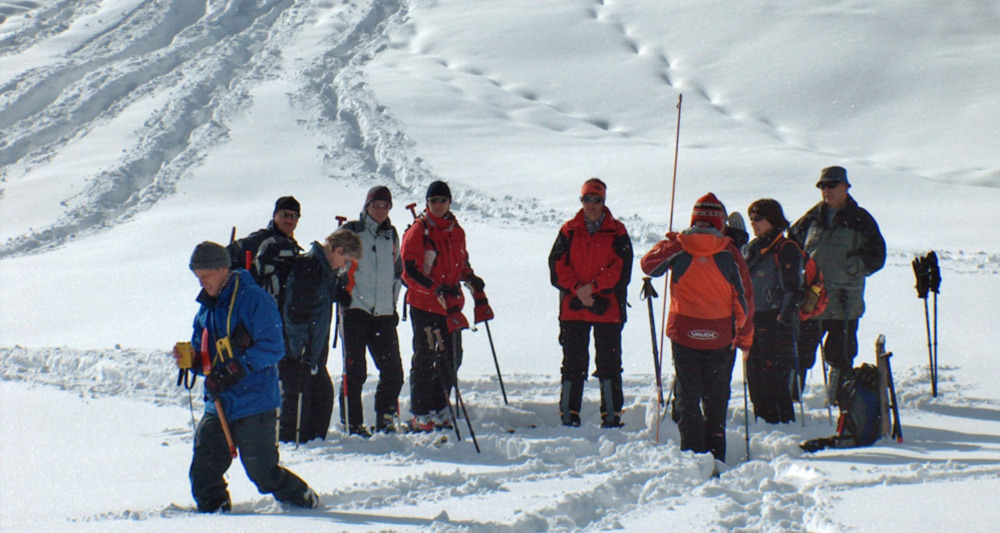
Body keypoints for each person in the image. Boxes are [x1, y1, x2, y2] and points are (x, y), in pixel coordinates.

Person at [174, 241, 318, 512]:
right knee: (203, 470)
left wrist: (235, 369)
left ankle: (302, 498)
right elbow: (205, 355)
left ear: (223, 269)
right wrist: (191, 360)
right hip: (217, 404)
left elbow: (274, 347)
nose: (202, 282)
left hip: (254, 403)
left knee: (263, 473)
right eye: (198, 277)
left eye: (206, 275)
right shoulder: (206, 307)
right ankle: (215, 516)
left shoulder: (254, 299)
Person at [641, 193, 754, 463]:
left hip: (684, 333)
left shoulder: (679, 246)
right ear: (720, 221)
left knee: (688, 396)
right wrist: (746, 337)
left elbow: (649, 265)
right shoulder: (730, 251)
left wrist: (670, 242)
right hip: (720, 336)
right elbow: (744, 298)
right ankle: (716, 456)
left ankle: (692, 455)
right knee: (716, 398)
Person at [789, 167, 885, 400]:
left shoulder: (861, 219)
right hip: (813, 299)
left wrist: (852, 268)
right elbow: (791, 247)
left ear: (845, 187)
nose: (826, 190)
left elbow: (877, 256)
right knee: (800, 352)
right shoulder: (811, 218)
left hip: (845, 300)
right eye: (823, 186)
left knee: (841, 355)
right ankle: (790, 401)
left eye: (831, 185)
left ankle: (839, 403)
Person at [547, 178, 633, 428]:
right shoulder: (568, 230)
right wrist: (578, 290)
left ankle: (611, 414)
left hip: (607, 308)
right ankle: (569, 413)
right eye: (587, 199)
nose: (592, 204)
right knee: (573, 361)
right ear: (581, 200)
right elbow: (556, 267)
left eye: (597, 199)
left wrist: (592, 288)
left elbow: (622, 270)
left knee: (609, 362)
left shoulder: (618, 230)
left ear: (604, 201)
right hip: (574, 308)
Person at [400, 180, 485, 432]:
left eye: (442, 200)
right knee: (425, 357)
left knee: (452, 357)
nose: (437, 205)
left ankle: (438, 405)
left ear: (449, 202)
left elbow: (460, 262)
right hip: (425, 304)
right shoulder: (418, 231)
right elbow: (409, 272)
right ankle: (420, 412)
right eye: (433, 201)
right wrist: (433, 287)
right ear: (427, 203)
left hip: (449, 304)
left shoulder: (455, 230)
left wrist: (470, 278)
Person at [279, 229, 363, 443]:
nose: (345, 267)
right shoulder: (310, 269)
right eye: (346, 261)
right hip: (298, 354)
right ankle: (292, 447)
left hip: (312, 353)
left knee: (322, 399)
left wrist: (338, 294)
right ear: (338, 250)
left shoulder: (324, 272)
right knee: (299, 403)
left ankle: (313, 444)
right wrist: (300, 352)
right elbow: (294, 315)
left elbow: (316, 302)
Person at [338, 186, 405, 436]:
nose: (380, 209)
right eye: (375, 204)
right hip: (355, 309)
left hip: (384, 314)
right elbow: (331, 262)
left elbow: (397, 274)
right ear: (367, 206)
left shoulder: (391, 235)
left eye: (384, 205)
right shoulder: (352, 231)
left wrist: (393, 304)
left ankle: (385, 417)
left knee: (393, 372)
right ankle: (352, 423)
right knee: (355, 371)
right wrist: (340, 289)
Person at [742, 199, 801, 424]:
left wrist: (784, 320)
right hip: (755, 321)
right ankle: (763, 421)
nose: (754, 224)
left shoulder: (785, 249)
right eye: (752, 219)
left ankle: (782, 423)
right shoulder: (754, 247)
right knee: (755, 377)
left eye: (758, 219)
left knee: (775, 379)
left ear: (772, 220)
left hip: (775, 323)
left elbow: (793, 290)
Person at [227, 196, 304, 301]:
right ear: (275, 215)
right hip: (257, 309)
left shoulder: (293, 248)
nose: (289, 220)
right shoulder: (259, 240)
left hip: (282, 312)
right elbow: (223, 258)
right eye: (284, 214)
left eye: (294, 216)